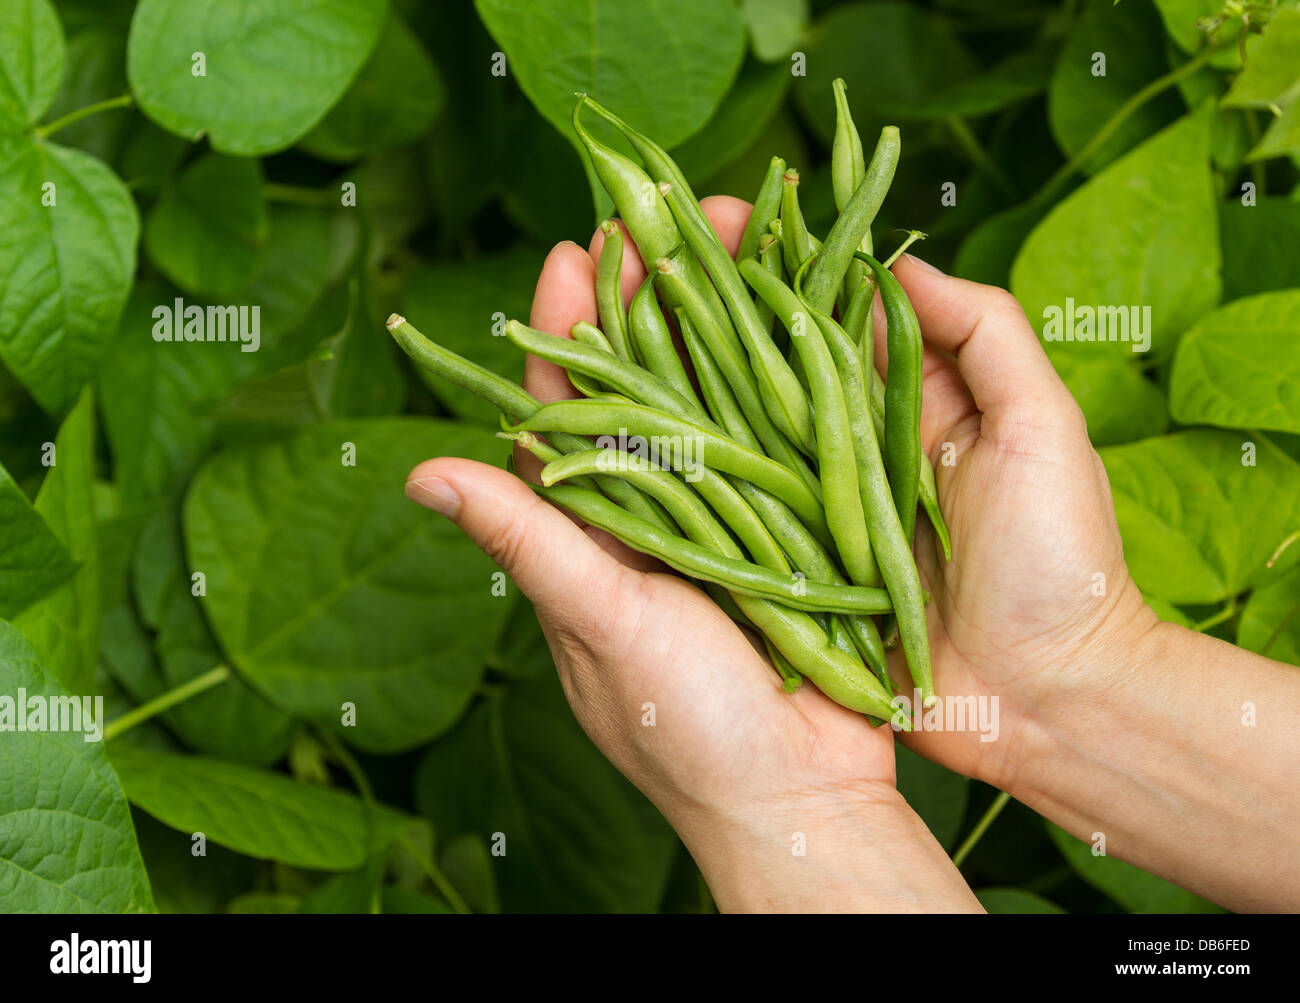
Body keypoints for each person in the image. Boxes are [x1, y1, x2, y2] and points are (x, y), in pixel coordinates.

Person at [404, 196, 1300, 913]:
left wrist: (794, 816)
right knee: (702, 453)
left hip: (862, 614)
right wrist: (1073, 673)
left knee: (721, 439)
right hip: (860, 612)